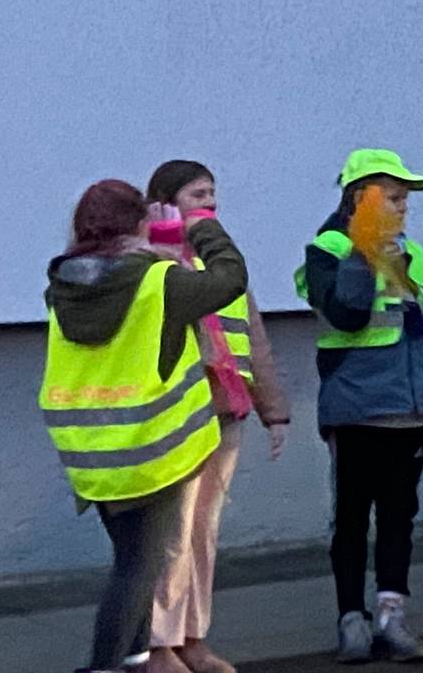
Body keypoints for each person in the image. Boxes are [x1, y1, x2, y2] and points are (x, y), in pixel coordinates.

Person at [45, 180, 245, 673]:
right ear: (139, 224)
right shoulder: (159, 282)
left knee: (133, 559)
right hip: (147, 450)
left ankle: (134, 660)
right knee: (137, 570)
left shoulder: (65, 285)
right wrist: (203, 229)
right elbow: (230, 279)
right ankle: (104, 666)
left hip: (90, 452)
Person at [291, 150, 423, 664]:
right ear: (361, 198)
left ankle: (392, 615)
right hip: (356, 408)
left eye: (405, 198)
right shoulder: (329, 249)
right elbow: (346, 314)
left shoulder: (416, 255)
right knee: (351, 517)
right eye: (393, 197)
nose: (404, 207)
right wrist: (364, 251)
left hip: (409, 409)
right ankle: (352, 620)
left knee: (400, 516)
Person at [134, 162, 287, 673]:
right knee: (172, 535)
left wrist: (274, 409)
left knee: (204, 534)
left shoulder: (222, 258)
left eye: (213, 194)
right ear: (165, 201)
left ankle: (193, 637)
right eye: (198, 194)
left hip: (226, 413)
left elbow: (253, 334)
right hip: (179, 416)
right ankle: (158, 645)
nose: (210, 203)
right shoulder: (154, 259)